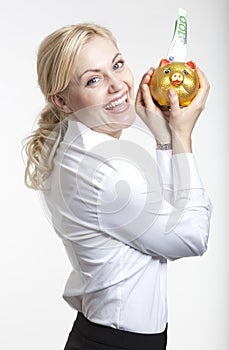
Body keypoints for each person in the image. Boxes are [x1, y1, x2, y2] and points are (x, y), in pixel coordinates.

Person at [23, 23, 212, 350]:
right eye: (93, 79)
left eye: (117, 64)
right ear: (62, 101)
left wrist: (164, 139)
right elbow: (191, 237)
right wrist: (182, 137)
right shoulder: (104, 170)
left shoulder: (77, 146)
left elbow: (167, 215)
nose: (117, 85)